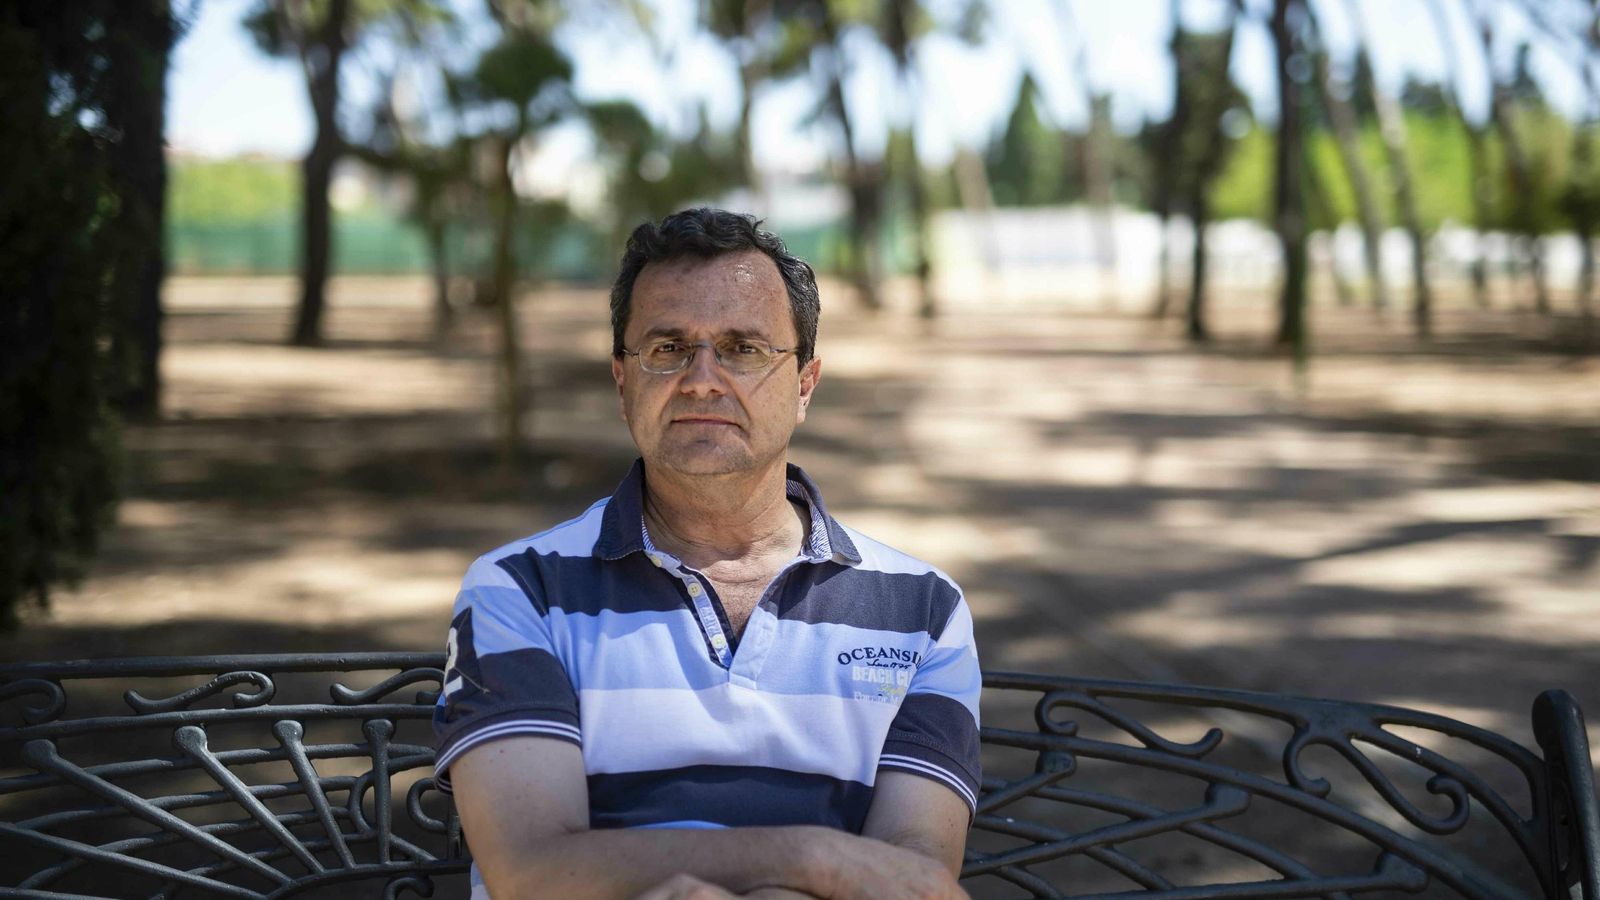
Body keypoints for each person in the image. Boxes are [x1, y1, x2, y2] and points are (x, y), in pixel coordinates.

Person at [433, 208, 981, 900]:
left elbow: (914, 879)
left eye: (743, 348)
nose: (700, 379)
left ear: (805, 384)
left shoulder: (922, 609)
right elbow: (534, 869)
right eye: (666, 349)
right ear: (622, 381)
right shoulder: (520, 590)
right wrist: (810, 858)